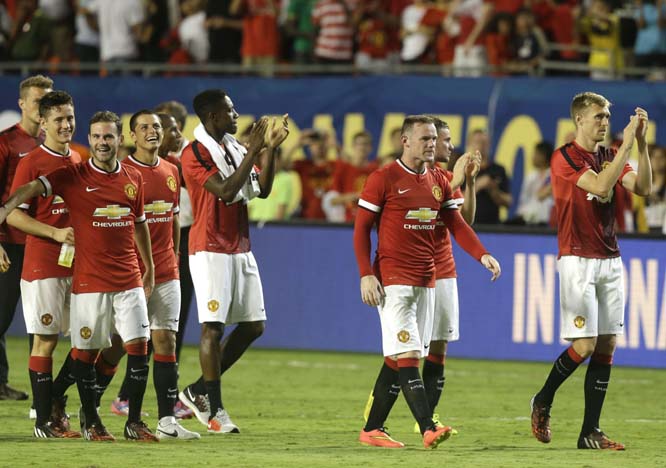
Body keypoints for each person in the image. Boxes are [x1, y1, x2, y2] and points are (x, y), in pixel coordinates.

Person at [0, 110, 158, 442]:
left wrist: (149, 268)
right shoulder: (72, 174)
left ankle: (133, 423)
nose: (103, 142)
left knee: (140, 346)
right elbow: (31, 188)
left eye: (109, 136)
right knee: (79, 350)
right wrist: (3, 211)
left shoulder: (133, 179)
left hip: (127, 276)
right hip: (86, 279)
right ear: (90, 139)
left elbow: (140, 224)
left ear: (120, 139)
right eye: (97, 137)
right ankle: (81, 420)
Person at [354, 115, 500, 449]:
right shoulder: (384, 178)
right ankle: (427, 427)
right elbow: (361, 229)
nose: (432, 144)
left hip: (428, 280)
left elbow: (457, 223)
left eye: (435, 138)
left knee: (399, 356)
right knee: (408, 354)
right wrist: (366, 273)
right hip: (393, 279)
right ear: (405, 141)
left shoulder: (438, 179)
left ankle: (373, 428)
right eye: (425, 139)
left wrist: (482, 254)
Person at [530, 92, 651, 450]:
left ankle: (590, 432)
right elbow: (600, 186)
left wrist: (640, 144)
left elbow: (643, 187)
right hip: (577, 259)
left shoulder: (612, 154)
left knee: (608, 343)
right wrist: (627, 142)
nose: (604, 122)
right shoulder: (564, 157)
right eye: (598, 116)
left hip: (611, 258)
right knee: (584, 344)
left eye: (607, 117)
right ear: (579, 120)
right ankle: (543, 399)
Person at [178, 89, 289, 433]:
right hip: (209, 247)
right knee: (213, 326)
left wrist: (270, 148)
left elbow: (263, 188)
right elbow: (226, 191)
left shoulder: (234, 146)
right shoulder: (193, 152)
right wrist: (255, 149)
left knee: (254, 325)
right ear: (212, 116)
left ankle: (197, 391)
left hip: (239, 246)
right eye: (230, 110)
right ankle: (215, 411)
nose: (236, 114)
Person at [91, 110, 200, 440]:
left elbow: (174, 219)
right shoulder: (124, 173)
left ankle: (167, 422)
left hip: (167, 270)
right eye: (144, 128)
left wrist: (174, 256)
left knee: (165, 339)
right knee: (119, 344)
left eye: (156, 127)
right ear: (131, 137)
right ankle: (90, 403)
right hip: (131, 273)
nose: (152, 131)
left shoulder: (171, 170)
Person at [7, 91, 82, 438]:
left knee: (88, 339)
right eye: (58, 119)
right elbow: (14, 219)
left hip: (79, 265)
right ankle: (42, 420)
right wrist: (55, 234)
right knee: (46, 340)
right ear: (43, 122)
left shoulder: (80, 157)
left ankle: (53, 398)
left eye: (69, 117)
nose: (66, 124)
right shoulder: (32, 162)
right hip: (43, 264)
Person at [0, 74, 53, 401]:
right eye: (37, 101)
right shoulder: (6, 143)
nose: (42, 108)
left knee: (45, 321)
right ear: (22, 104)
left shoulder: (52, 145)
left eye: (48, 102)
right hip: (9, 243)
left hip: (43, 243)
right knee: (2, 317)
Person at [469, 128, 512, 224]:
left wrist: (493, 189)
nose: (481, 146)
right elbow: (454, 200)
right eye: (478, 142)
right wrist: (476, 186)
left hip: (492, 227)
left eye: (484, 143)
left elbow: (508, 202)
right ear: (470, 144)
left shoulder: (498, 170)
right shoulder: (464, 168)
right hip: (468, 224)